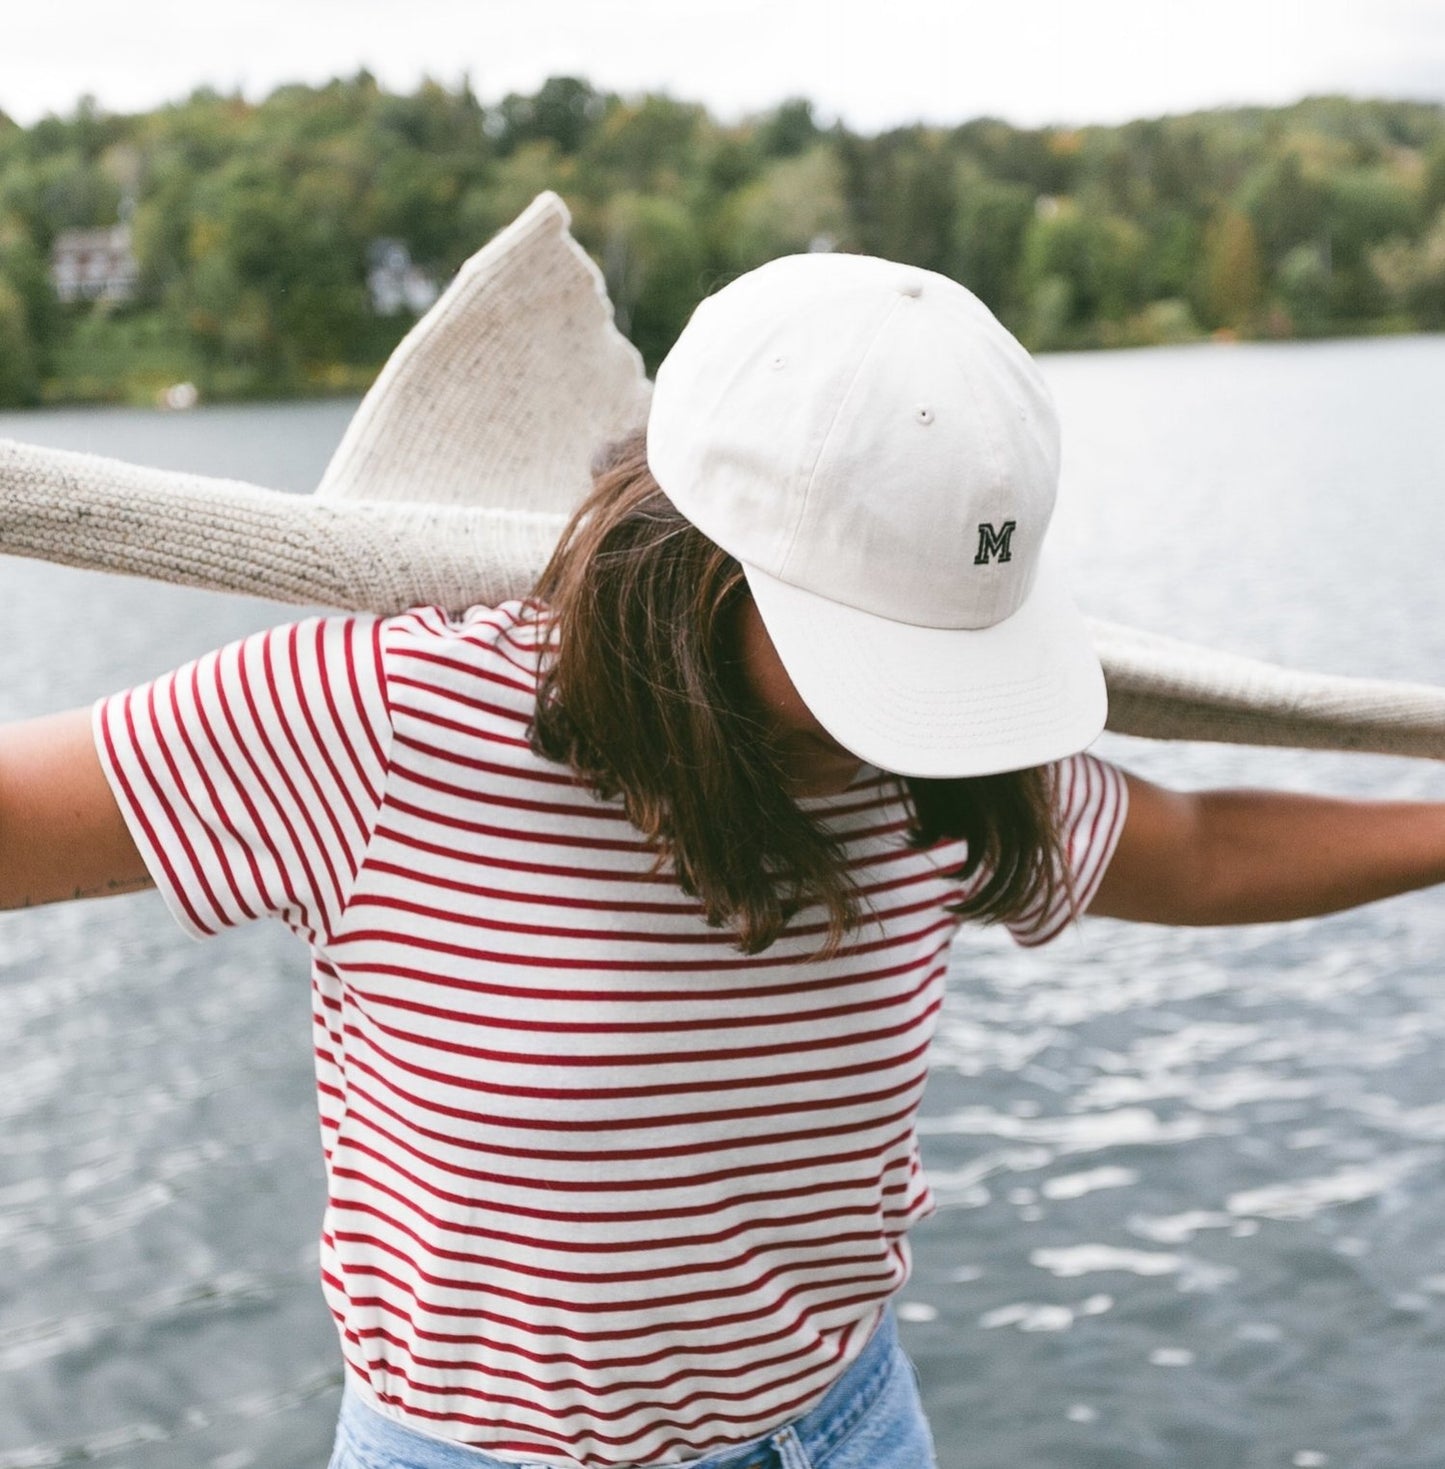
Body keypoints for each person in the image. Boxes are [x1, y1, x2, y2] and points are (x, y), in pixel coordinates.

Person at [3, 252, 1445, 1469]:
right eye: (870, 662)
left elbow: (1185, 846)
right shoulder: (386, 717)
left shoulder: (941, 747)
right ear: (699, 567)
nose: (908, 720)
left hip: (846, 1425)